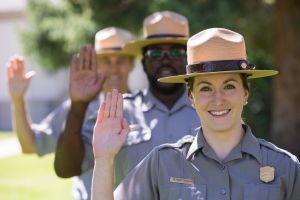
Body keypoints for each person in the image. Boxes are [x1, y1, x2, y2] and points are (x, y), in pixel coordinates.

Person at [91, 28, 300, 200]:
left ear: (245, 94)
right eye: (206, 88)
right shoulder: (163, 162)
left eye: (229, 86)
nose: (218, 100)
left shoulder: (285, 167)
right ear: (191, 97)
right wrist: (103, 159)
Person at [54, 10, 200, 194]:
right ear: (143, 61)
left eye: (175, 52)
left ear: (188, 58)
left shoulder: (208, 110)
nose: (165, 60)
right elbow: (66, 168)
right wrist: (79, 105)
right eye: (155, 54)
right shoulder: (118, 111)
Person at [6, 27, 136, 200]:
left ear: (131, 64)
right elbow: (29, 145)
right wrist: (17, 99)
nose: (113, 68)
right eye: (106, 60)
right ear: (96, 64)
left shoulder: (147, 109)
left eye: (120, 60)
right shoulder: (76, 109)